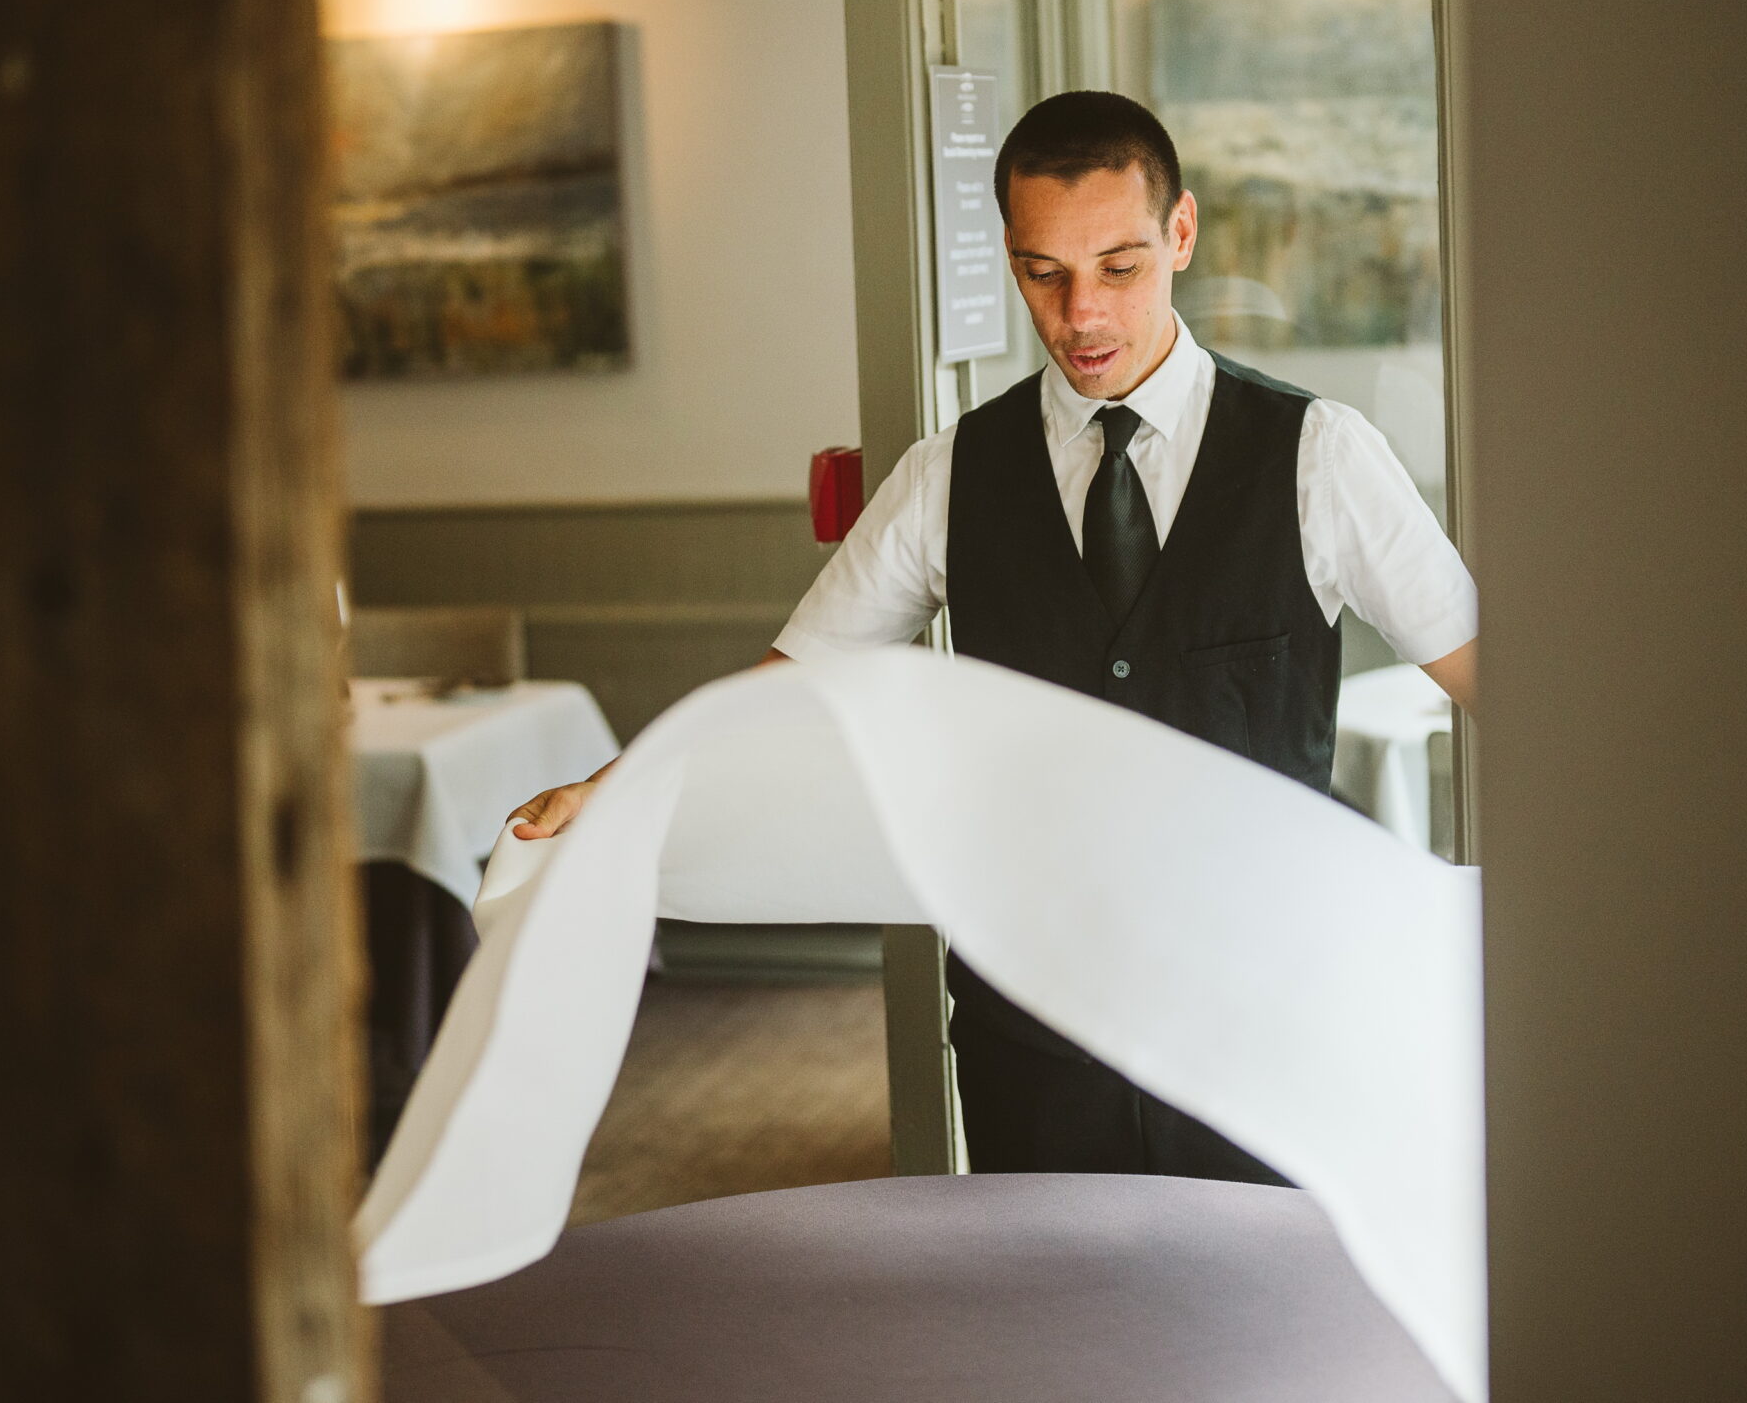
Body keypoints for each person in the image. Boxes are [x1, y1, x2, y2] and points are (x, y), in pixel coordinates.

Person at [508, 89, 1476, 1184]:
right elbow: (788, 688)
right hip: (1036, 1037)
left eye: (1119, 266)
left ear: (1183, 234)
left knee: (1268, 1334)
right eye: (1041, 273)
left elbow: (1484, 672)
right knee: (1052, 1340)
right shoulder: (947, 473)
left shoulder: (1319, 455)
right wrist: (617, 786)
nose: (1082, 317)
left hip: (1263, 1020)